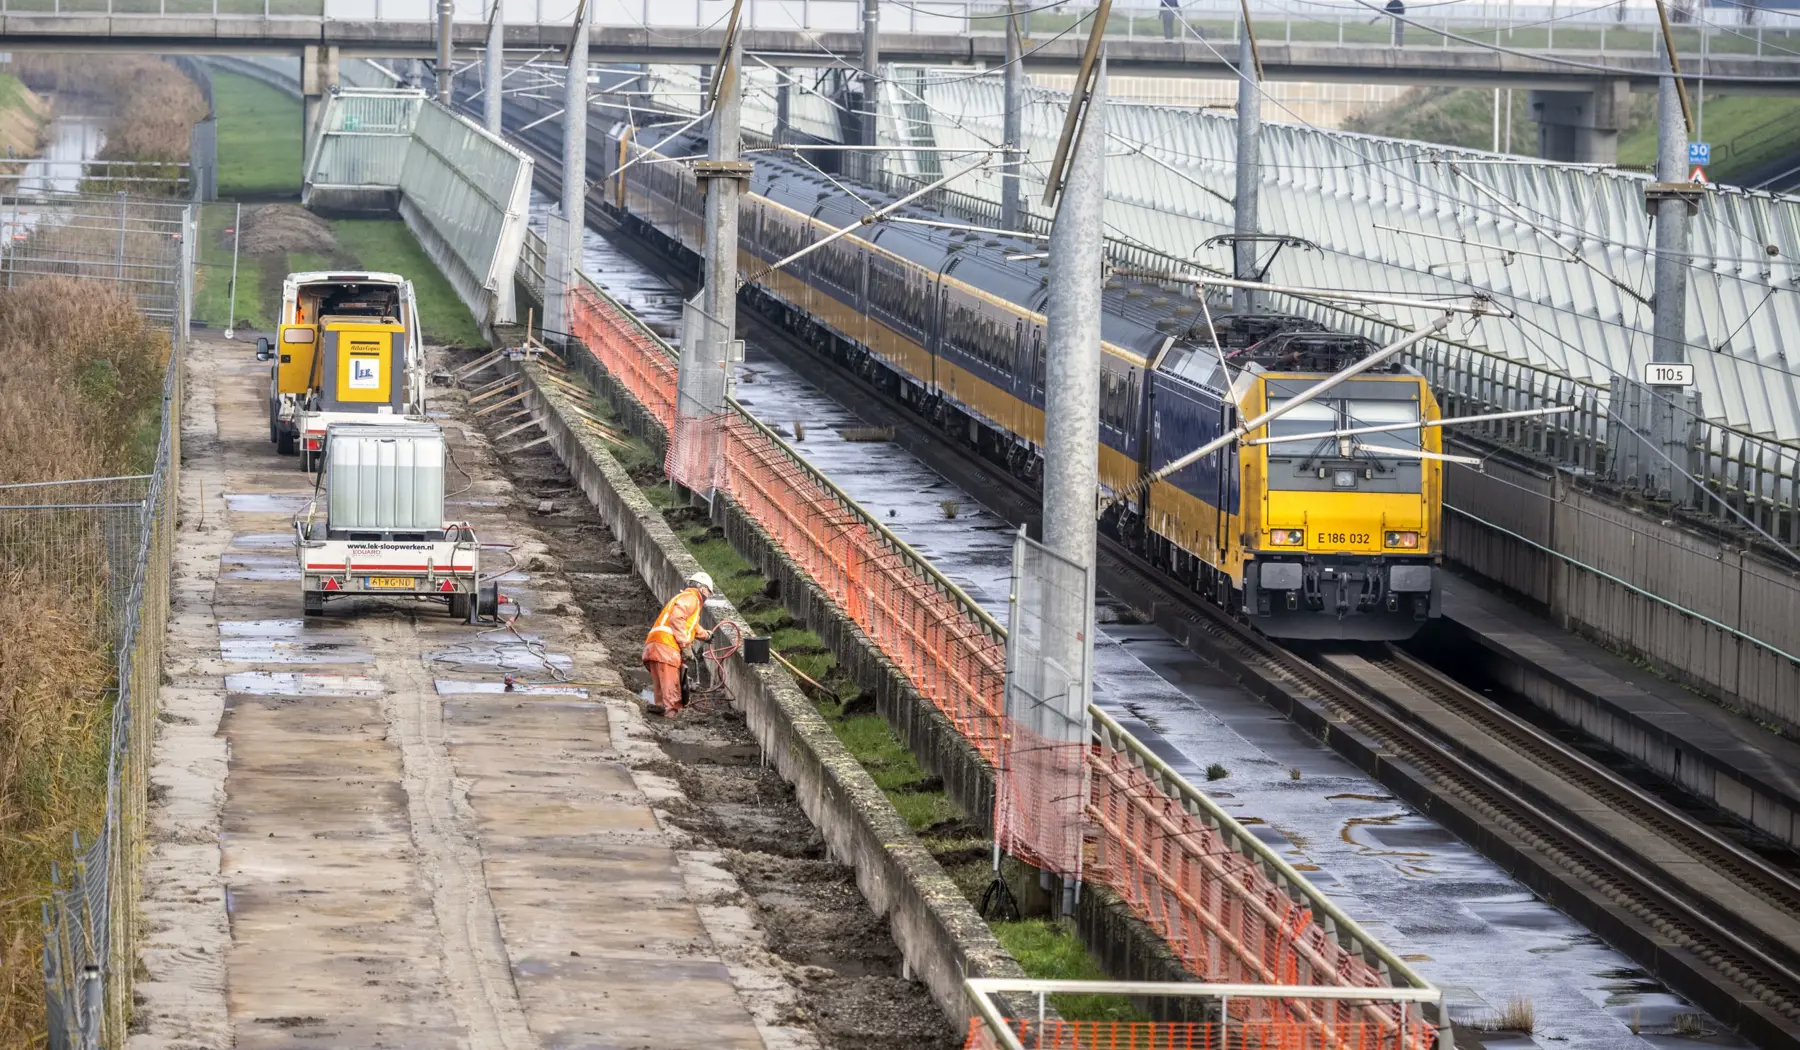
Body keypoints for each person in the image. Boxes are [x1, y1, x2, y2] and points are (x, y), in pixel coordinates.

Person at [642, 570, 715, 717]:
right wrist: (685, 645)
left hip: (654, 646)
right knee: (672, 698)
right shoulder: (692, 598)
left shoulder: (683, 598)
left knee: (661, 693)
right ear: (702, 588)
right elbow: (677, 618)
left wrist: (705, 635)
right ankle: (671, 722)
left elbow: (690, 625)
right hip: (667, 648)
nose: (707, 596)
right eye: (708, 592)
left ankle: (660, 722)